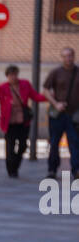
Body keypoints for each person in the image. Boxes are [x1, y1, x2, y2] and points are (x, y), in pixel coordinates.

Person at [0, 66, 48, 179]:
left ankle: (15, 165)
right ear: (7, 76)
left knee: (23, 145)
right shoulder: (2, 88)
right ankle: (11, 170)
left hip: (23, 121)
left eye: (15, 74)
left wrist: (48, 97)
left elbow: (35, 96)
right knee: (10, 147)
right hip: (9, 122)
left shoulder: (25, 84)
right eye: (11, 75)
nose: (13, 77)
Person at [43, 45, 79, 180]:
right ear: (62, 58)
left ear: (73, 57)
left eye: (70, 56)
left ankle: (76, 170)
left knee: (75, 142)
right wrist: (56, 103)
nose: (68, 59)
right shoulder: (56, 72)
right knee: (54, 142)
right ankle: (52, 169)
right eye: (65, 56)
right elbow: (45, 90)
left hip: (74, 115)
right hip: (57, 115)